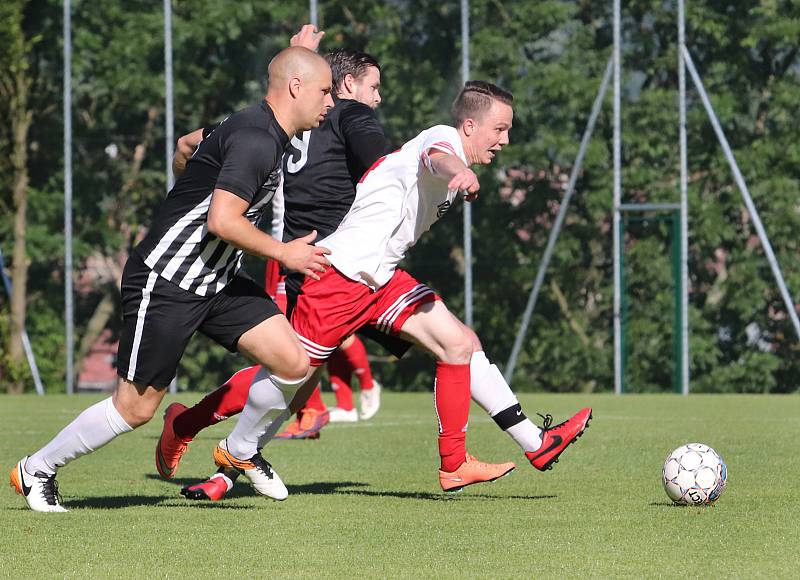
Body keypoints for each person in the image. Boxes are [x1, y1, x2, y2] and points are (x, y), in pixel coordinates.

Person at [177, 80, 593, 500]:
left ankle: (484, 457)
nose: (504, 140)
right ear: (469, 126)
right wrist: (459, 172)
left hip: (380, 278)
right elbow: (438, 157)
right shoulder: (444, 140)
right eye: (499, 129)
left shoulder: (446, 150)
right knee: (291, 377)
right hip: (340, 277)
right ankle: (195, 433)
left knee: (459, 344)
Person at [9, 44, 335, 512]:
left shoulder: (250, 125)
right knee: (135, 408)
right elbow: (223, 221)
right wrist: (285, 253)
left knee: (293, 362)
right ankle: (36, 469)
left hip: (217, 281)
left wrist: (189, 185)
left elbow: (186, 145)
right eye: (324, 91)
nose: (329, 103)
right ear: (295, 87)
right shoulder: (257, 140)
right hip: (166, 281)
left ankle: (240, 451)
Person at [159, 47, 395, 501]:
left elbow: (203, 136)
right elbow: (386, 169)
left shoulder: (307, 118)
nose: (378, 98)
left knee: (294, 377)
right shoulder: (345, 117)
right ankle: (194, 432)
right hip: (315, 265)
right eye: (374, 86)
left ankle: (223, 465)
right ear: (345, 88)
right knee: (291, 374)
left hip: (343, 264)